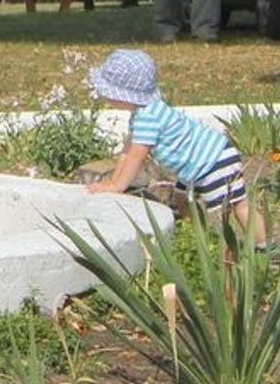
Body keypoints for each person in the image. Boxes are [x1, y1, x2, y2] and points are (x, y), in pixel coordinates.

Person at [86, 49, 266, 245]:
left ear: (122, 96)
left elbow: (136, 156)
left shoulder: (147, 118)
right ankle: (197, 239)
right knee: (182, 199)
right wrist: (113, 182)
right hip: (195, 166)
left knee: (236, 206)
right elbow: (127, 152)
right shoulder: (143, 111)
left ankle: (262, 246)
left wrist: (118, 185)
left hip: (213, 162)